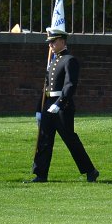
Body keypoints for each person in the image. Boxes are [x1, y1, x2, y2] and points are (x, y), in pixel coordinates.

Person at [31, 28, 98, 183]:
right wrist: (39, 109)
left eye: (53, 42)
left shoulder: (69, 60)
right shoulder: (52, 61)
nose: (50, 45)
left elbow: (70, 85)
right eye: (49, 42)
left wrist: (59, 104)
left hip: (62, 106)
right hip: (48, 104)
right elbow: (46, 87)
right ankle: (40, 174)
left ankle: (90, 170)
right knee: (44, 139)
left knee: (70, 140)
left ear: (62, 41)